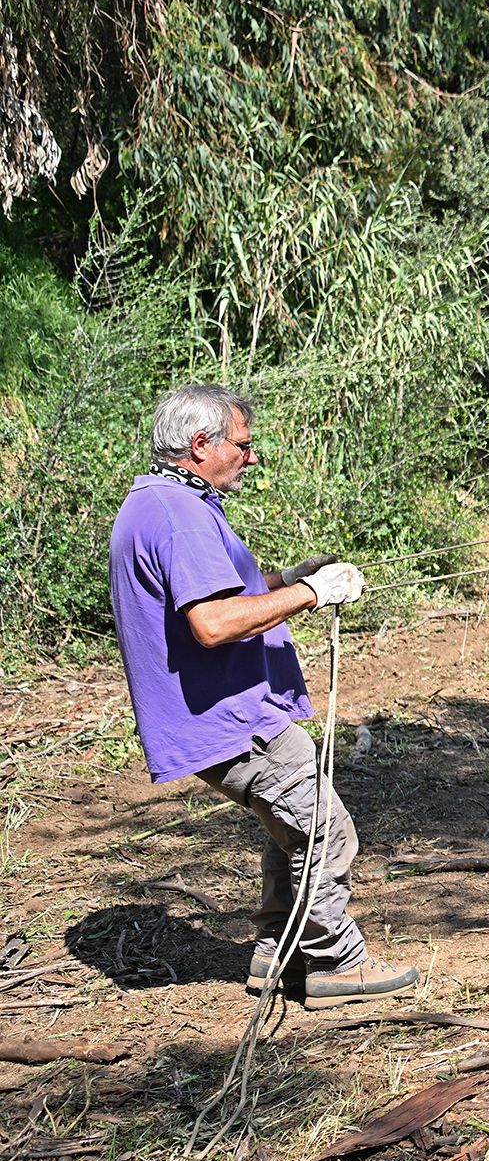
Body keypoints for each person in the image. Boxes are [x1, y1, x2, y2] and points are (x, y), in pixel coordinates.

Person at [108, 384, 418, 1010]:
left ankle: (278, 950)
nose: (252, 458)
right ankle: (334, 963)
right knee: (322, 830)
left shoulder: (160, 502)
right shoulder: (180, 512)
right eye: (242, 445)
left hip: (238, 708)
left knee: (291, 826)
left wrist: (289, 579)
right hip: (227, 716)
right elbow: (214, 622)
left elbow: (215, 592)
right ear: (201, 445)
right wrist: (312, 596)